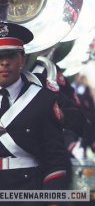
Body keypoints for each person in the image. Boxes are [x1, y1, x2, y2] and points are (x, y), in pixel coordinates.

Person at [0, 22, 69, 194]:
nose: (5, 62)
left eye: (11, 55)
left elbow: (55, 158)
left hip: (27, 190)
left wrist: (53, 198)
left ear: (23, 58)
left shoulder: (42, 99)